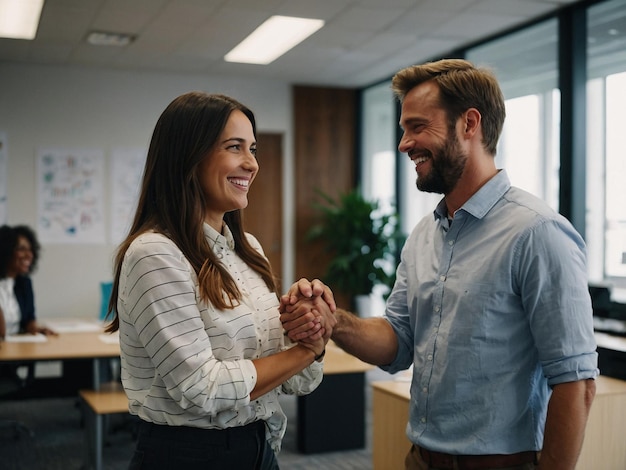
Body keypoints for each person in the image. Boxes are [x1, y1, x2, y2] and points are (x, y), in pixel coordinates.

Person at [280, 59, 598, 470]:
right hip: (421, 459)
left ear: (469, 124)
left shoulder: (538, 233)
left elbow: (576, 383)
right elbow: (397, 339)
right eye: (403, 129)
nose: (403, 144)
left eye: (417, 127)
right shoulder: (424, 236)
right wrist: (334, 321)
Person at [104, 91, 331, 470]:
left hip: (258, 446)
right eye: (234, 147)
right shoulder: (154, 254)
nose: (252, 164)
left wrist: (307, 330)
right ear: (188, 156)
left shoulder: (247, 249)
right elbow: (201, 388)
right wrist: (302, 353)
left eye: (253, 149)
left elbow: (293, 380)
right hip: (188, 456)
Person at [0, 224, 56, 339]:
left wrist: (35, 328)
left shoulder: (24, 283)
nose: (29, 255)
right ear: (5, 251)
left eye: (30, 250)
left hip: (17, 347)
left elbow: (28, 319)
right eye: (21, 249)